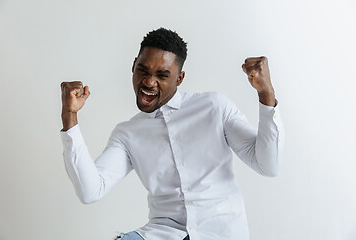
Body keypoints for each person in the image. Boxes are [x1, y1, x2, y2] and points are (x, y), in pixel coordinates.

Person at [60, 28, 284, 240]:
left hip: (221, 233)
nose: (149, 82)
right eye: (143, 70)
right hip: (164, 232)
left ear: (179, 78)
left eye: (162, 75)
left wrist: (266, 93)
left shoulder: (214, 107)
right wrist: (70, 116)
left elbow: (268, 165)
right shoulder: (127, 134)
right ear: (133, 66)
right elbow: (91, 191)